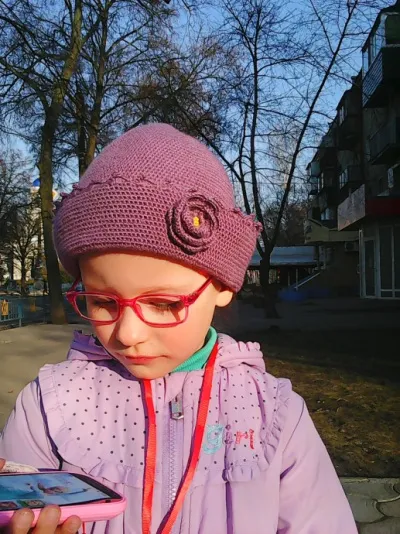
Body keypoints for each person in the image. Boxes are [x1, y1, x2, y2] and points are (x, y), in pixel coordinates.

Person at [0, 124, 357, 534]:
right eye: (103, 302)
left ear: (223, 286)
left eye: (165, 303)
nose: (127, 334)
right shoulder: (51, 406)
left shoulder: (274, 415)